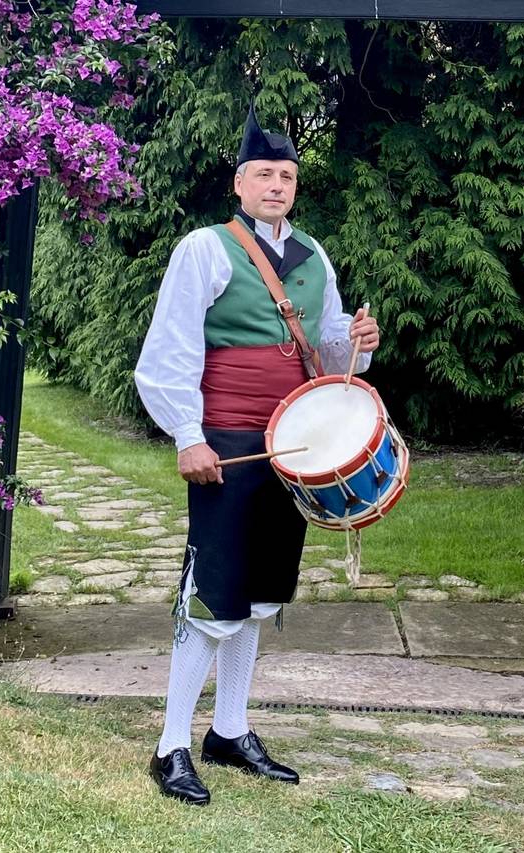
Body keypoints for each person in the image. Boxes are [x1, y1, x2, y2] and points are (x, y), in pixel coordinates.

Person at [134, 103, 380, 805]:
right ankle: (172, 742)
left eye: (287, 175)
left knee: (259, 594)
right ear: (239, 184)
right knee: (213, 591)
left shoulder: (313, 255)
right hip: (229, 441)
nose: (277, 185)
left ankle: (231, 729)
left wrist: (360, 339)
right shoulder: (205, 248)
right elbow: (169, 352)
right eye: (263, 174)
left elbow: (332, 354)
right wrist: (188, 434)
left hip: (294, 443)